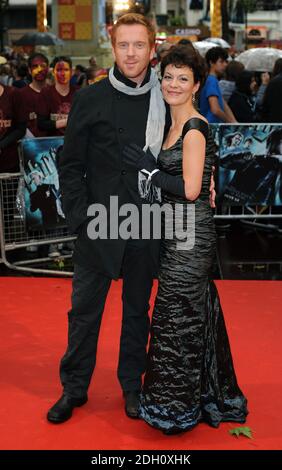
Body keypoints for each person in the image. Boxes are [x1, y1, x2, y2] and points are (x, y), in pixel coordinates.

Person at [46, 13, 167, 424]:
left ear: (152, 50)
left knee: (137, 311)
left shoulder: (166, 101)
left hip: (146, 224)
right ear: (112, 47)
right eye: (123, 45)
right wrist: (79, 219)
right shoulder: (90, 98)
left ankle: (132, 386)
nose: (131, 53)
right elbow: (70, 165)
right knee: (84, 313)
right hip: (97, 223)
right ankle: (73, 388)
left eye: (139, 46)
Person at [123, 45, 248, 434]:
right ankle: (208, 392)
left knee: (175, 317)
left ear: (196, 85)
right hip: (174, 231)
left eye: (183, 78)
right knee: (195, 312)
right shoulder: (169, 126)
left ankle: (173, 408)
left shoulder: (194, 127)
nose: (173, 84)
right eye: (168, 77)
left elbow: (192, 189)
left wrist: (150, 172)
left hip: (190, 239)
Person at [200, 47, 236, 123]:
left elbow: (223, 103)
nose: (225, 65)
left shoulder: (212, 80)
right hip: (212, 125)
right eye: (221, 62)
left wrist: (234, 121)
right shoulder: (211, 81)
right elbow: (215, 109)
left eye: (226, 61)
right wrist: (229, 122)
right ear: (211, 62)